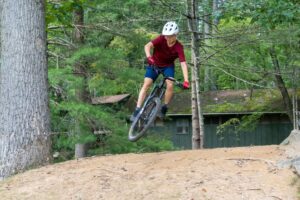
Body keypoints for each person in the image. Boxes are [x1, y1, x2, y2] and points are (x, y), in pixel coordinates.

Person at [130, 21, 189, 121]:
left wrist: (186, 80)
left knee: (170, 84)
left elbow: (183, 63)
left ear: (175, 35)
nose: (167, 38)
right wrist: (149, 57)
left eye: (169, 36)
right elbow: (147, 46)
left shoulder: (179, 47)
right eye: (166, 36)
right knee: (147, 83)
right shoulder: (161, 39)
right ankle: (137, 109)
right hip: (154, 64)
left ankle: (164, 107)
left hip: (168, 67)